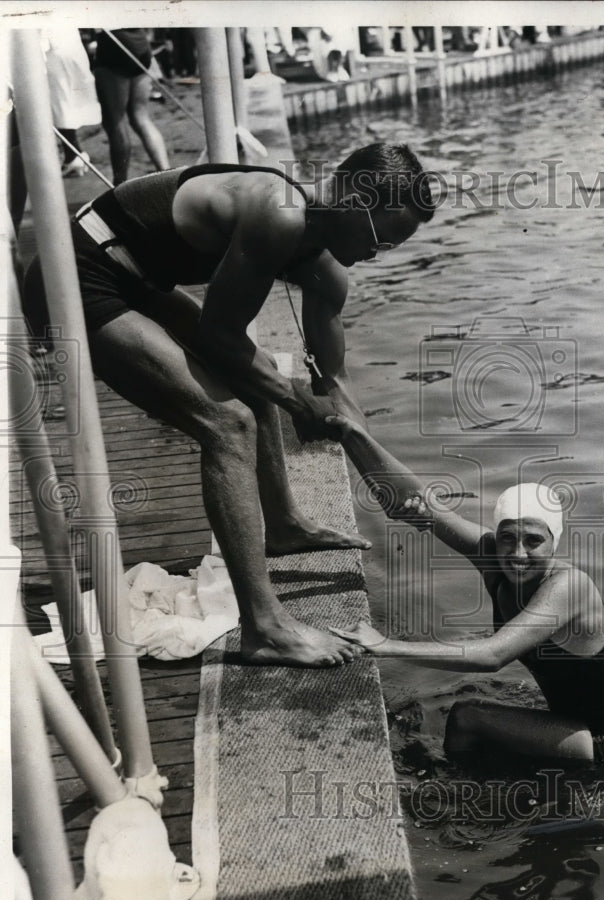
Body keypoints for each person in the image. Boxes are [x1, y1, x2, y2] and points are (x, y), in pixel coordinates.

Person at [22, 143, 435, 668]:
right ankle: (264, 628)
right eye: (381, 239)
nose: (378, 254)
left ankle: (283, 528)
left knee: (258, 382)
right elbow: (221, 338)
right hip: (78, 272)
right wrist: (296, 403)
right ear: (354, 199)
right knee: (228, 423)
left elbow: (335, 381)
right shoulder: (278, 213)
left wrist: (389, 478)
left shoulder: (326, 270)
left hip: (141, 280)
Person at [328, 417, 604, 768]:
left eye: (534, 541)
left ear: (554, 542)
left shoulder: (569, 588)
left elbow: (492, 656)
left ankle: (460, 801)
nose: (517, 554)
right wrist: (353, 436)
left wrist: (384, 646)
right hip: (572, 724)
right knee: (475, 723)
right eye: (507, 538)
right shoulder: (492, 554)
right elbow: (420, 503)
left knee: (468, 719)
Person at [92, 28, 170, 184]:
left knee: (116, 122)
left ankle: (119, 186)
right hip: (140, 42)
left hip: (114, 43)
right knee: (140, 117)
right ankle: (168, 177)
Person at [42, 28, 101, 177]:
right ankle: (73, 155)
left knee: (61, 107)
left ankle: (73, 155)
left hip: (55, 54)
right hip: (70, 49)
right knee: (65, 107)